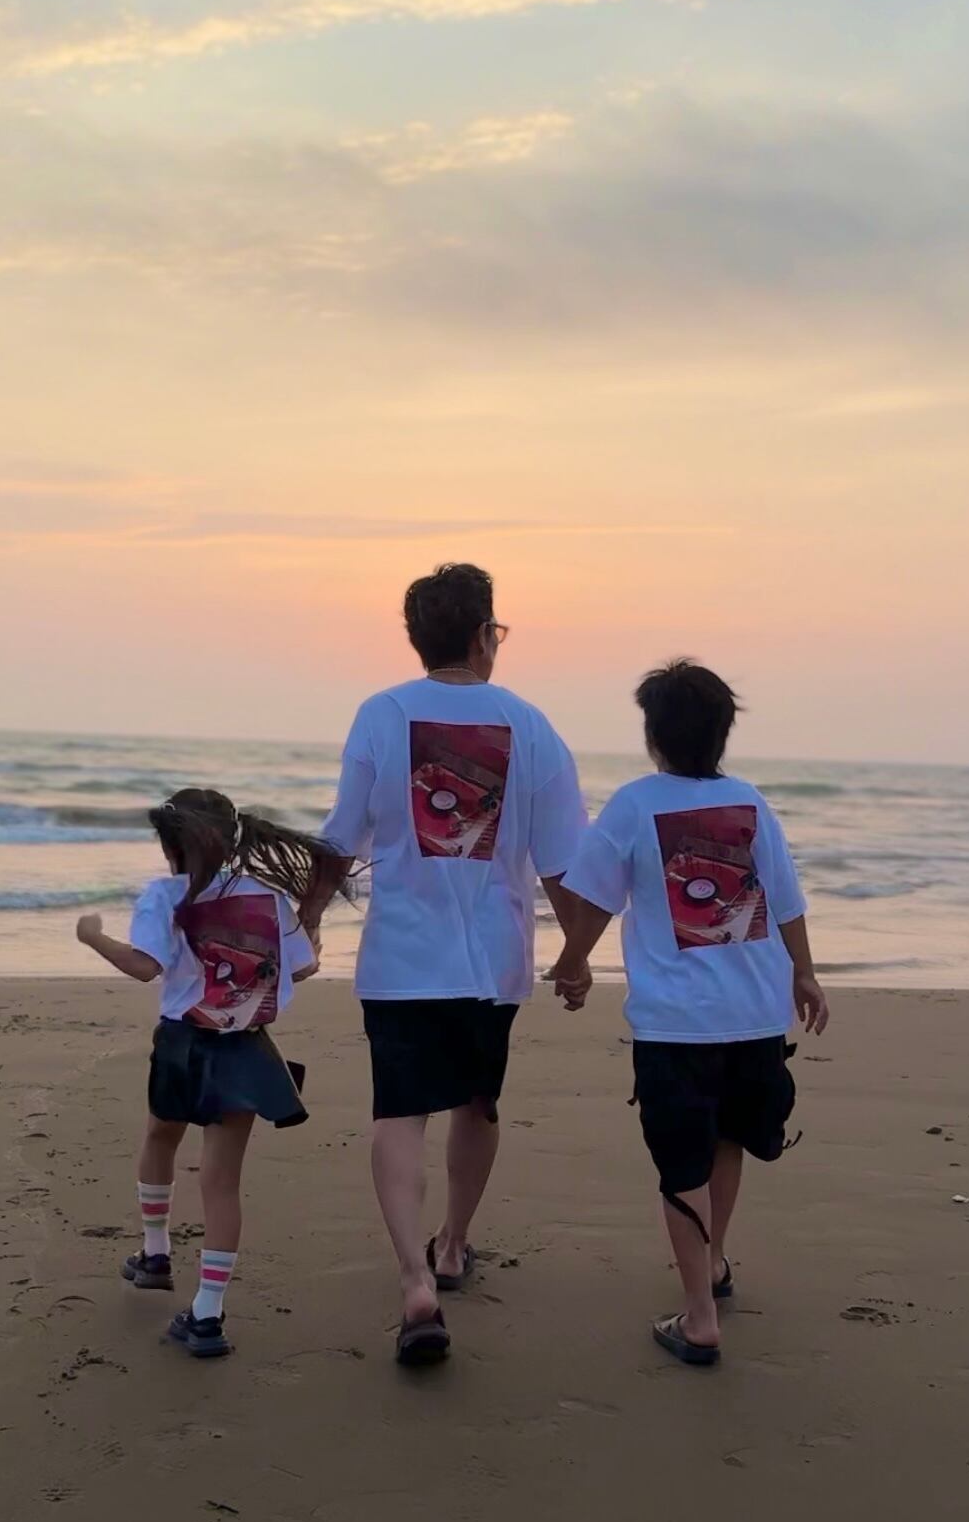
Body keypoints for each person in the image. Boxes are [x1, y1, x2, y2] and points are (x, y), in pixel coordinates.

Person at [302, 563, 587, 1367]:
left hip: (401, 959)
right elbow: (564, 859)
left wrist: (308, 917)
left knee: (399, 1113)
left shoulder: (382, 713)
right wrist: (577, 951)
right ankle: (455, 1243)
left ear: (418, 638)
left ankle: (414, 1279)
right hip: (494, 964)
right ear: (481, 635)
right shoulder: (531, 725)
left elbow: (340, 836)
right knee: (477, 1102)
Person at [550, 660, 828, 1368]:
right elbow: (787, 898)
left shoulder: (633, 805)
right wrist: (804, 972)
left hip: (677, 1023)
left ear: (653, 735)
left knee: (681, 1164)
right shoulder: (751, 803)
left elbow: (596, 899)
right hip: (756, 1015)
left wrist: (574, 960)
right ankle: (714, 1261)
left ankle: (700, 1317)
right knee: (727, 1142)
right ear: (722, 733)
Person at [74, 788, 335, 1360]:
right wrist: (310, 933)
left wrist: (93, 936)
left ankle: (155, 1252)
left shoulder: (166, 895)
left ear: (171, 844)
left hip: (182, 1045)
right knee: (221, 1183)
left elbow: (145, 967)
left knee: (160, 1137)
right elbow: (303, 966)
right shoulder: (267, 897)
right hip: (244, 1049)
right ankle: (208, 1314)